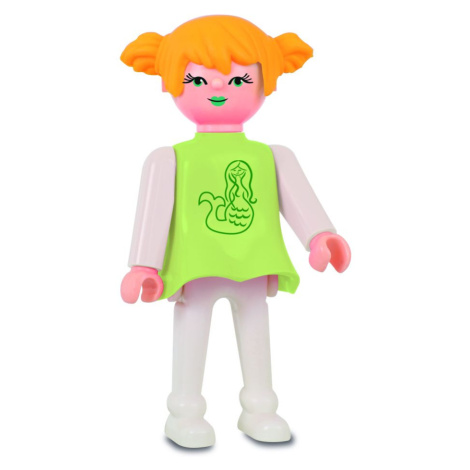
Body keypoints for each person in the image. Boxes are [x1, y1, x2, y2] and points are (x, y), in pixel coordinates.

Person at [120, 15, 351, 448]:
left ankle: (260, 410)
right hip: (196, 268)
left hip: (254, 264)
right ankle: (184, 413)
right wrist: (143, 265)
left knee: (256, 334)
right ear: (171, 82)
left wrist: (322, 236)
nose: (219, 89)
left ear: (266, 81)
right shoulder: (169, 158)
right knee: (192, 331)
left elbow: (299, 202)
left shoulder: (273, 156)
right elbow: (153, 211)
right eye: (198, 80)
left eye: (240, 80)